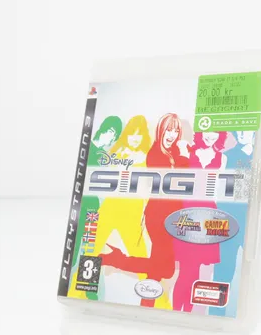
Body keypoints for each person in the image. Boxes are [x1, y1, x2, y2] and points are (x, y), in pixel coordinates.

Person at [100, 113, 188, 309]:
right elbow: (173, 179)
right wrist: (183, 157)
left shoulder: (174, 152)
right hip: (158, 217)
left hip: (173, 217)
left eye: (176, 130)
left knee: (164, 270)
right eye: (168, 130)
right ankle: (146, 305)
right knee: (158, 270)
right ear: (160, 130)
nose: (172, 135)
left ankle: (117, 260)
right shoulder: (155, 154)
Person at [91, 115, 152, 300]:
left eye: (139, 134)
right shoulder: (116, 153)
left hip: (133, 210)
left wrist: (145, 211)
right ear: (126, 134)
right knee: (92, 247)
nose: (135, 138)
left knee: (140, 254)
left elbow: (147, 187)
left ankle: (152, 296)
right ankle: (82, 289)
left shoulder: (146, 157)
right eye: (132, 133)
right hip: (110, 206)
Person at [67, 116, 123, 300]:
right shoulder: (88, 148)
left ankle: (89, 289)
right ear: (103, 129)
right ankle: (69, 286)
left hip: (94, 209)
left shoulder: (103, 156)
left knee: (90, 248)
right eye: (111, 132)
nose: (111, 138)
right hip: (80, 207)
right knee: (75, 248)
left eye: (115, 136)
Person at [172, 131, 228, 312]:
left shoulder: (222, 158)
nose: (210, 138)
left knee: (194, 268)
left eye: (215, 135)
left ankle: (186, 311)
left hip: (207, 211)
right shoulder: (187, 151)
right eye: (207, 133)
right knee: (186, 267)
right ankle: (177, 310)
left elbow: (217, 189)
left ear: (220, 135)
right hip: (186, 210)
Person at [210, 130, 255, 317]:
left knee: (254, 266)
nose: (243, 134)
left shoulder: (260, 156)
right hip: (228, 221)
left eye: (247, 130)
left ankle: (247, 309)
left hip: (251, 219)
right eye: (240, 131)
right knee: (223, 270)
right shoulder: (227, 156)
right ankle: (216, 315)